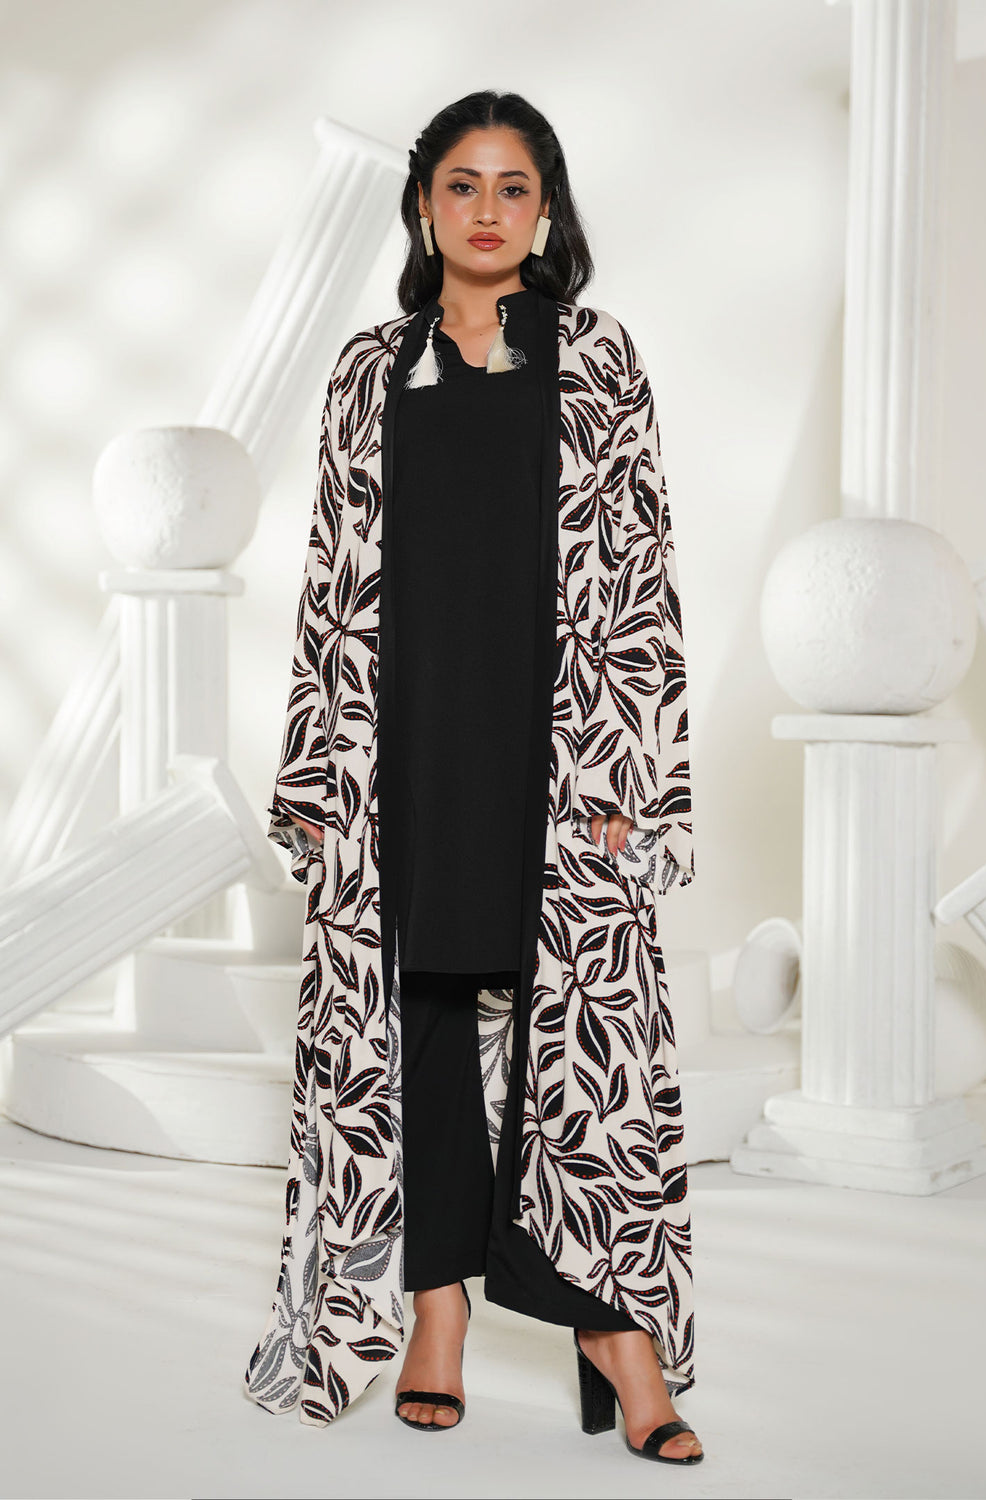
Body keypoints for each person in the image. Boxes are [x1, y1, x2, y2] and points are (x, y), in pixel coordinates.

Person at [244, 89, 702, 1468]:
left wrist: (633, 770)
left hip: (556, 747)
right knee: (423, 1009)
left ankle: (617, 1333)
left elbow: (638, 578)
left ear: (547, 211)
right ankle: (433, 1312)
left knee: (580, 1033)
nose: (488, 210)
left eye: (514, 187)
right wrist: (317, 772)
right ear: (423, 204)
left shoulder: (599, 360)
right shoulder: (368, 371)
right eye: (462, 184)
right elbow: (331, 584)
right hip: (404, 743)